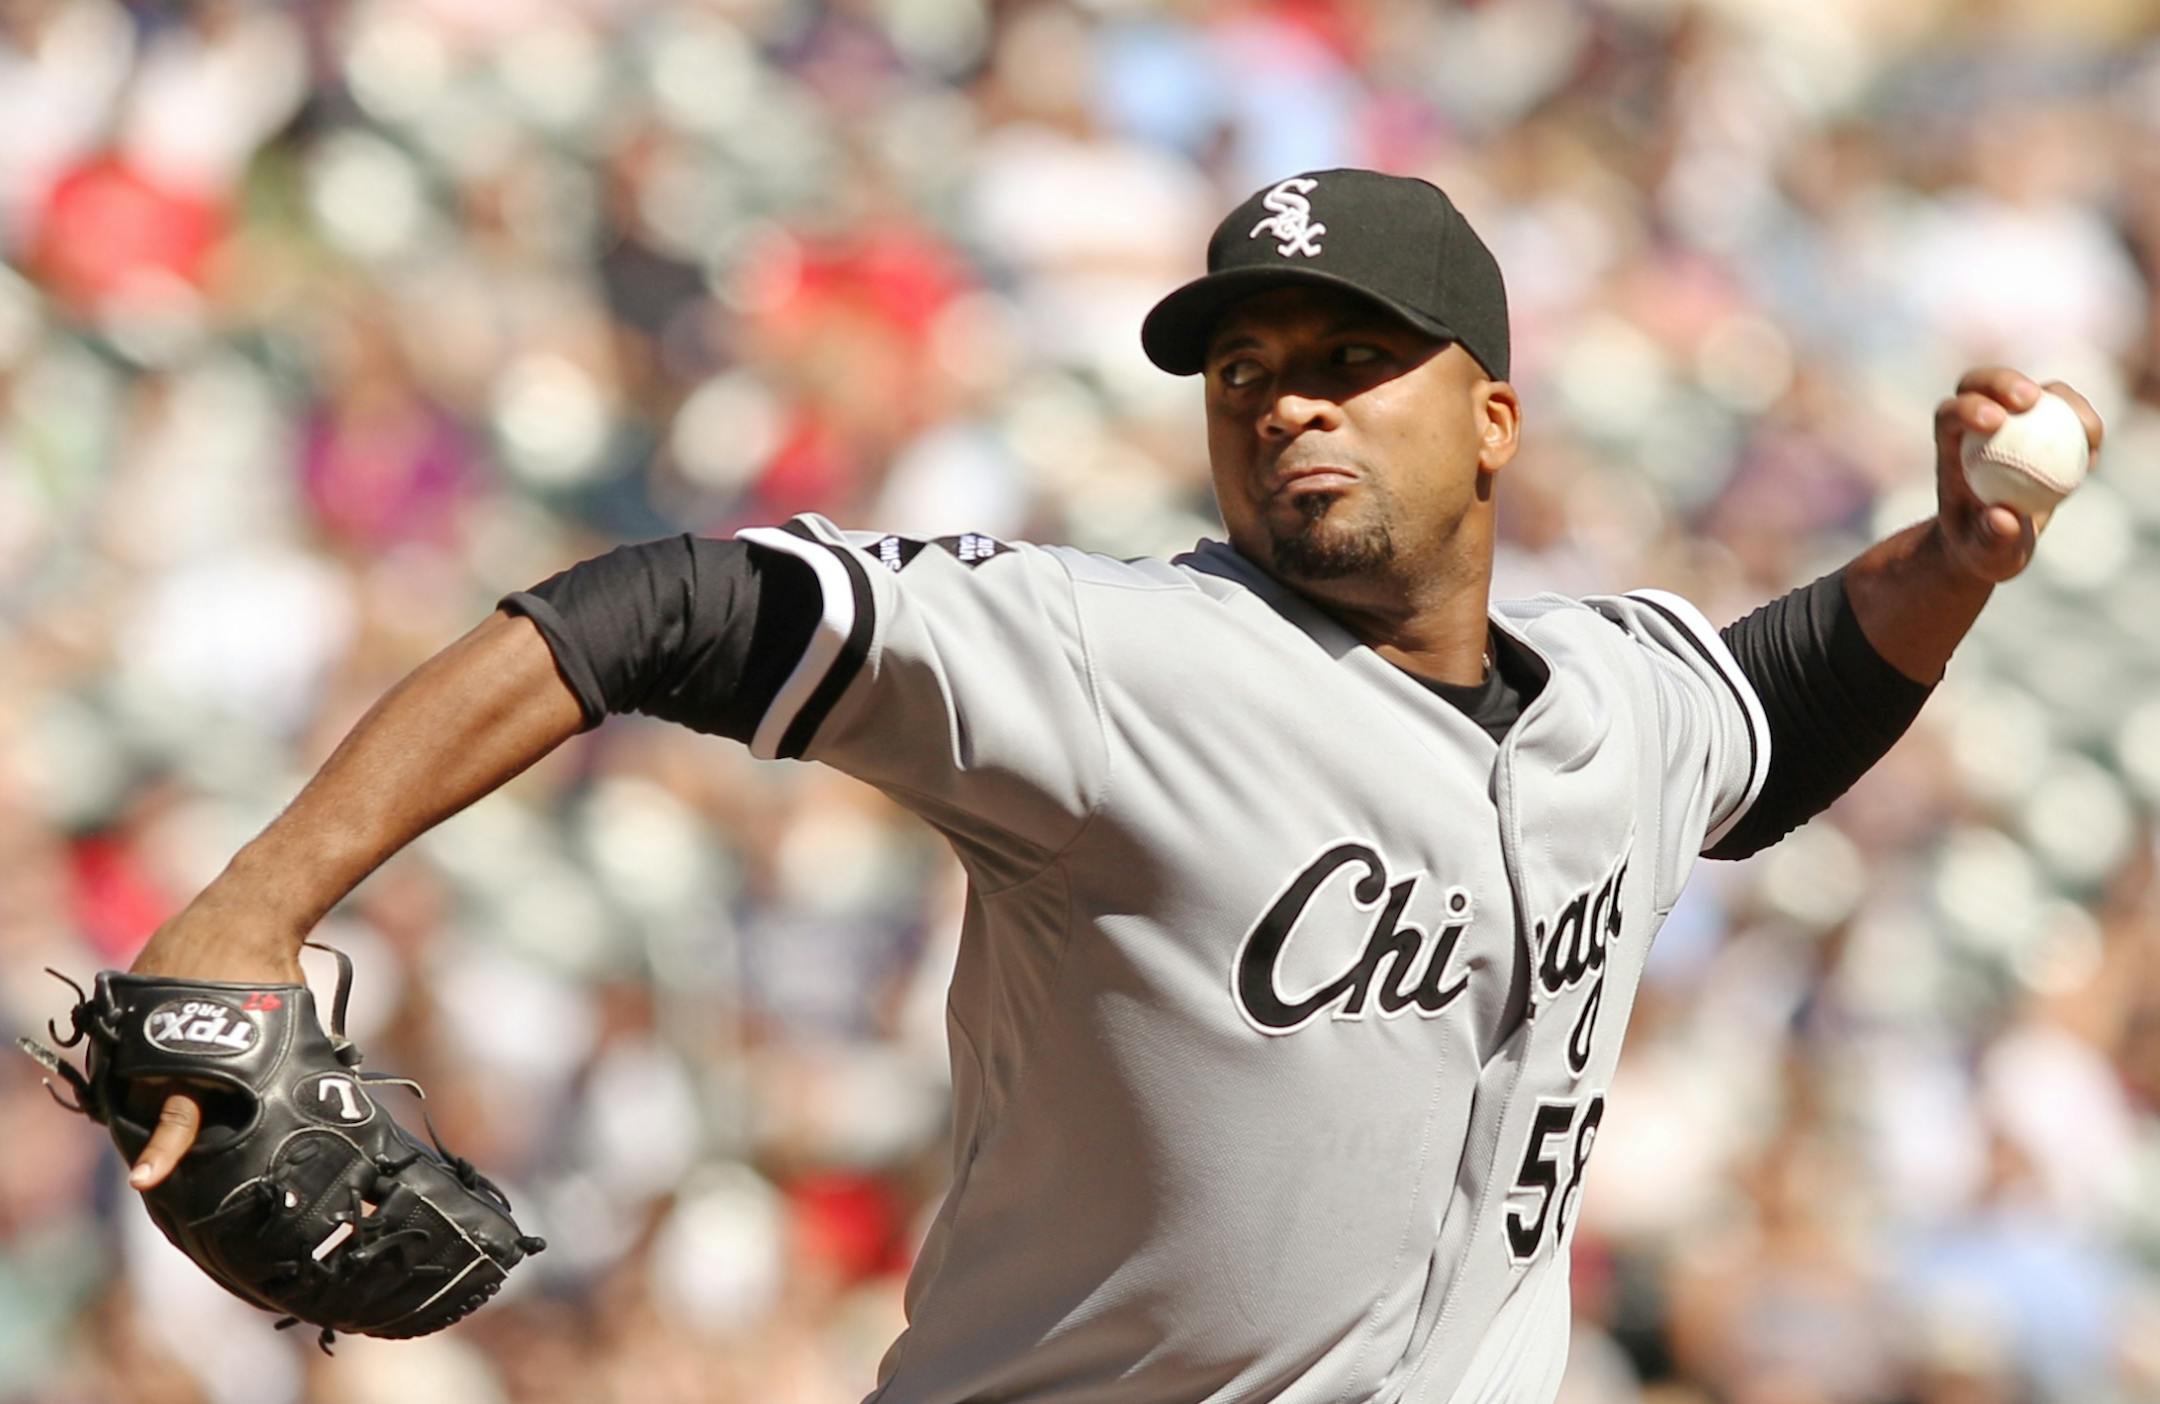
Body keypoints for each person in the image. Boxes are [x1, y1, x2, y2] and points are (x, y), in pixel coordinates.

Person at [122, 168, 2100, 1402]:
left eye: (1350, 355)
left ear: (1496, 418)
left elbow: (1781, 712)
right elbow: (662, 605)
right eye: (1243, 371)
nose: (1286, 398)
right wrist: (255, 906)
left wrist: (1954, 562)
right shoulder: (1106, 656)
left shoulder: (1624, 701)